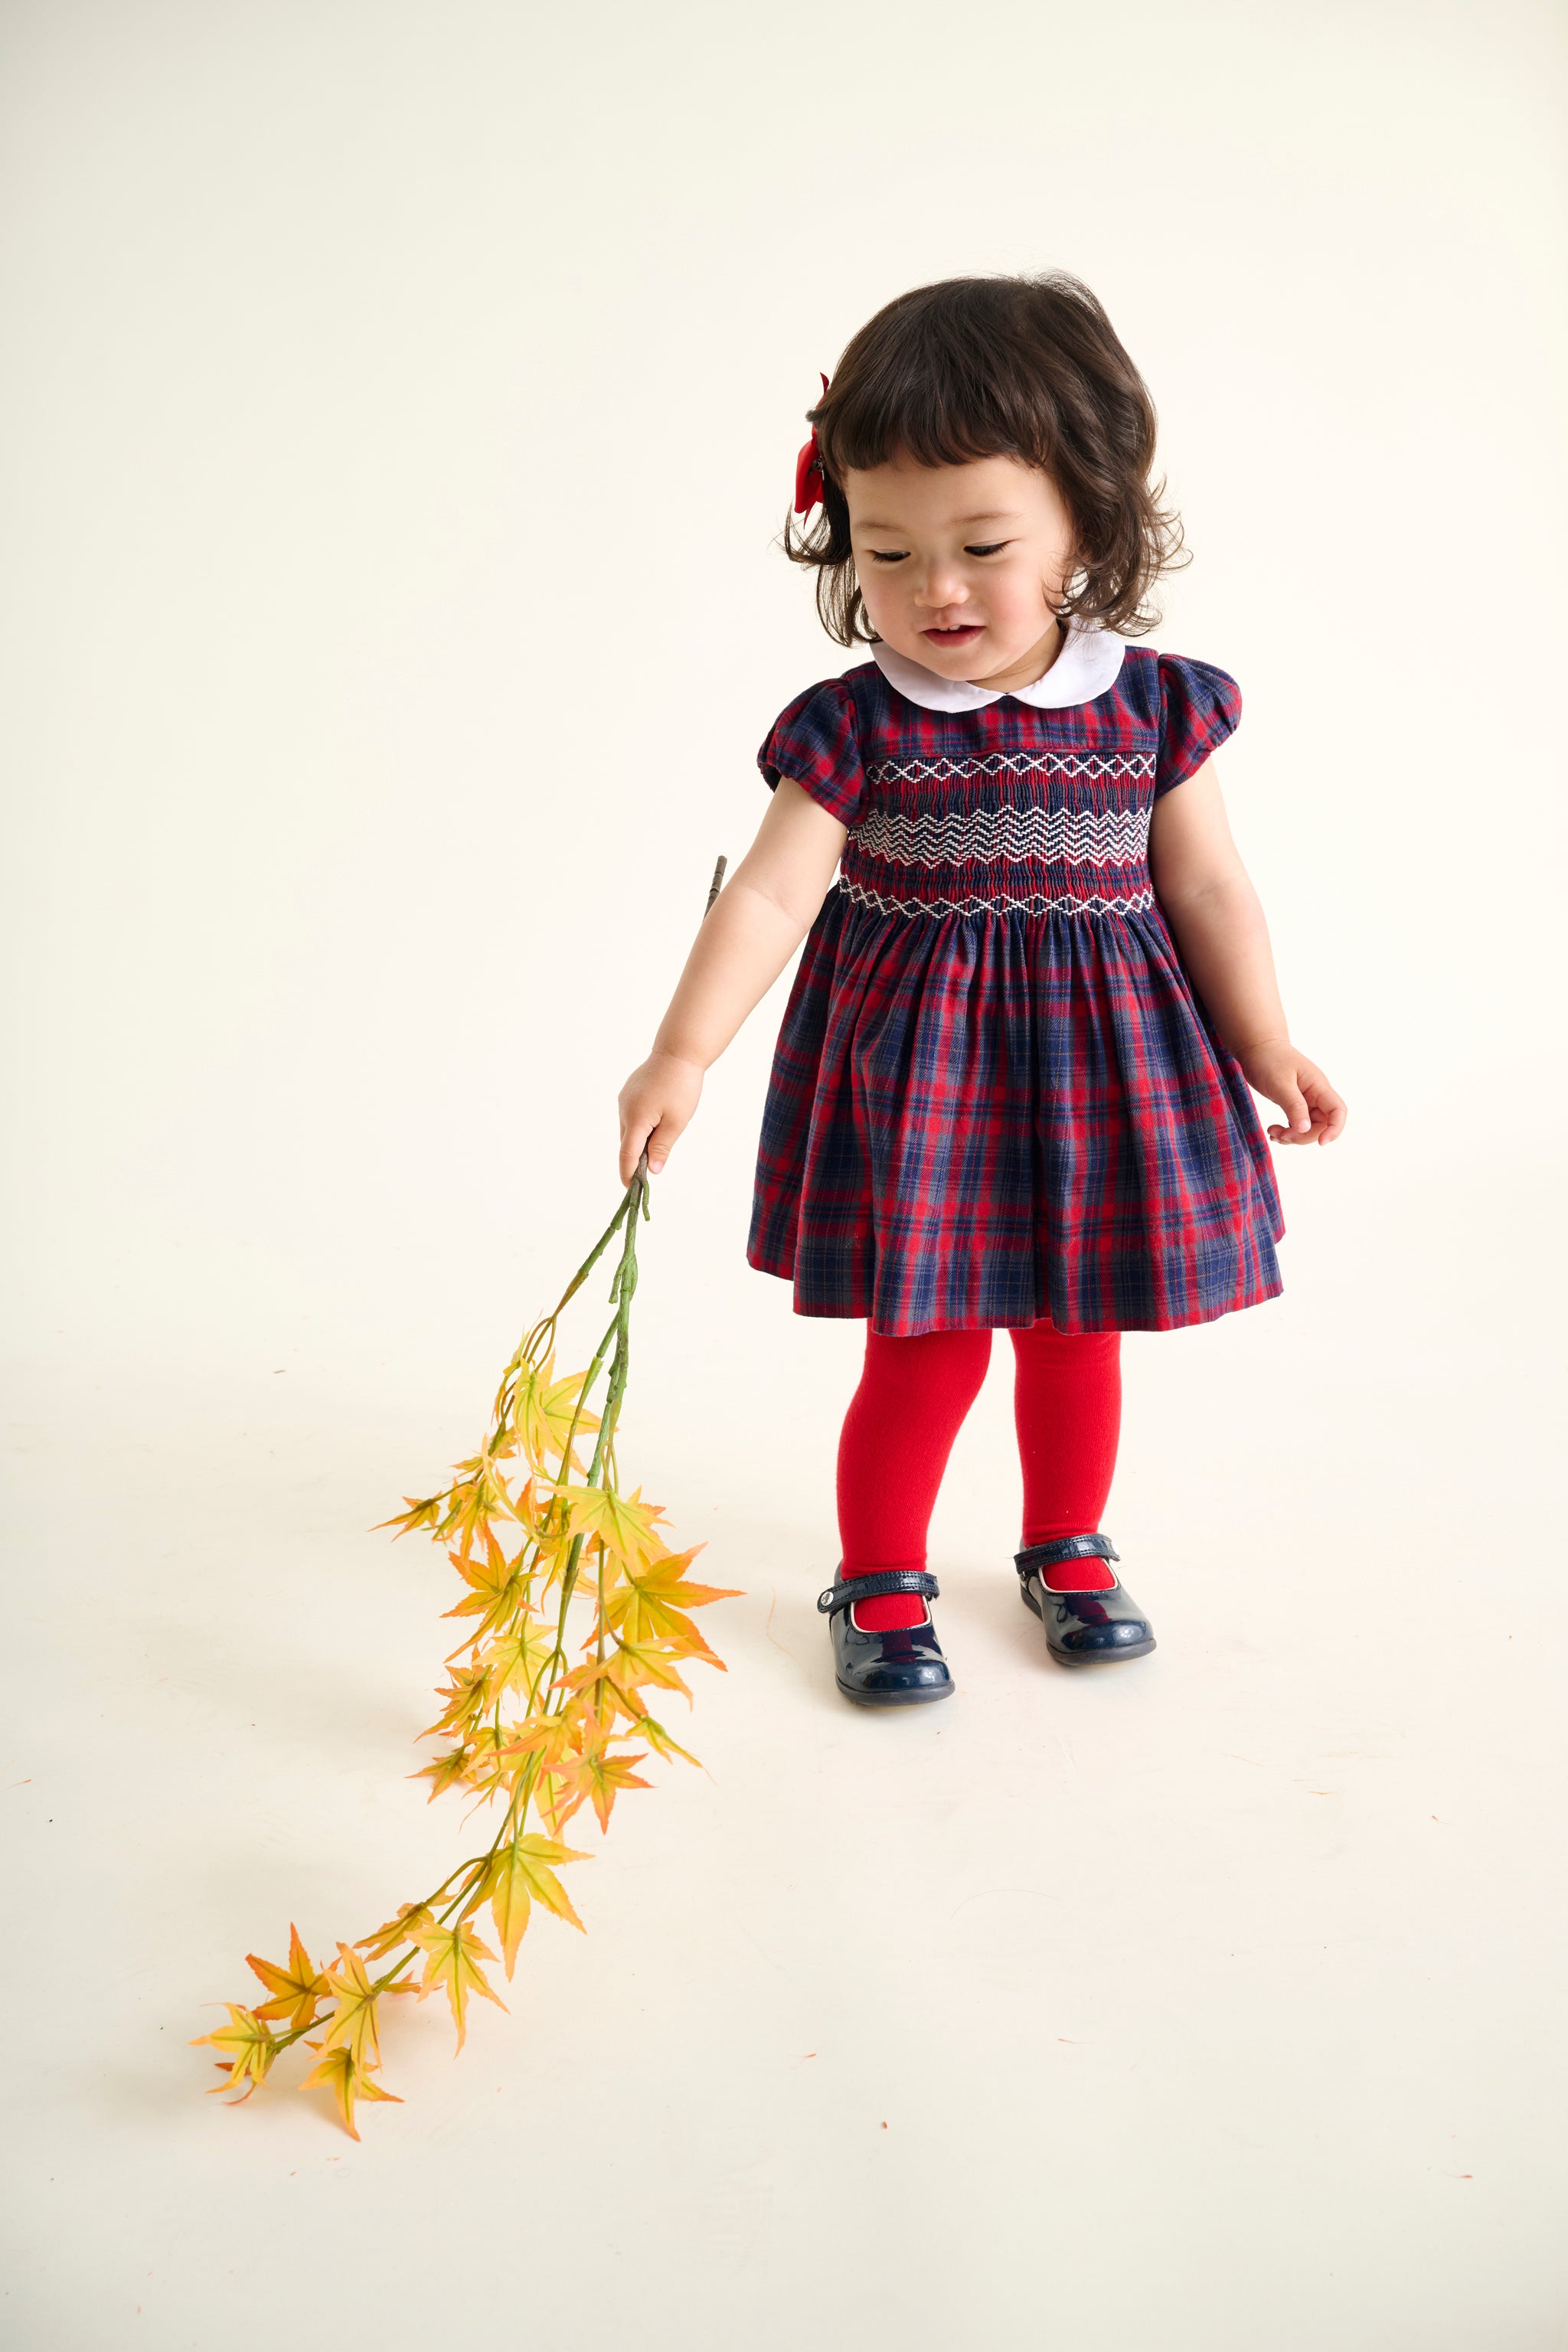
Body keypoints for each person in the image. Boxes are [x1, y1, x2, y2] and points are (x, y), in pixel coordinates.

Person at [616, 272, 1346, 1708]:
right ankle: (880, 1572)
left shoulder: (1152, 708)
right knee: (926, 1347)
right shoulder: (855, 725)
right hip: (929, 1089)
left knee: (1080, 1335)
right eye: (886, 552)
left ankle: (1067, 1545)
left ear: (1088, 519)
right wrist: (681, 1055)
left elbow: (1206, 890)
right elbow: (773, 892)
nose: (934, 590)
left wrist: (1267, 1042)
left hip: (1106, 1077)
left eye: (983, 543)